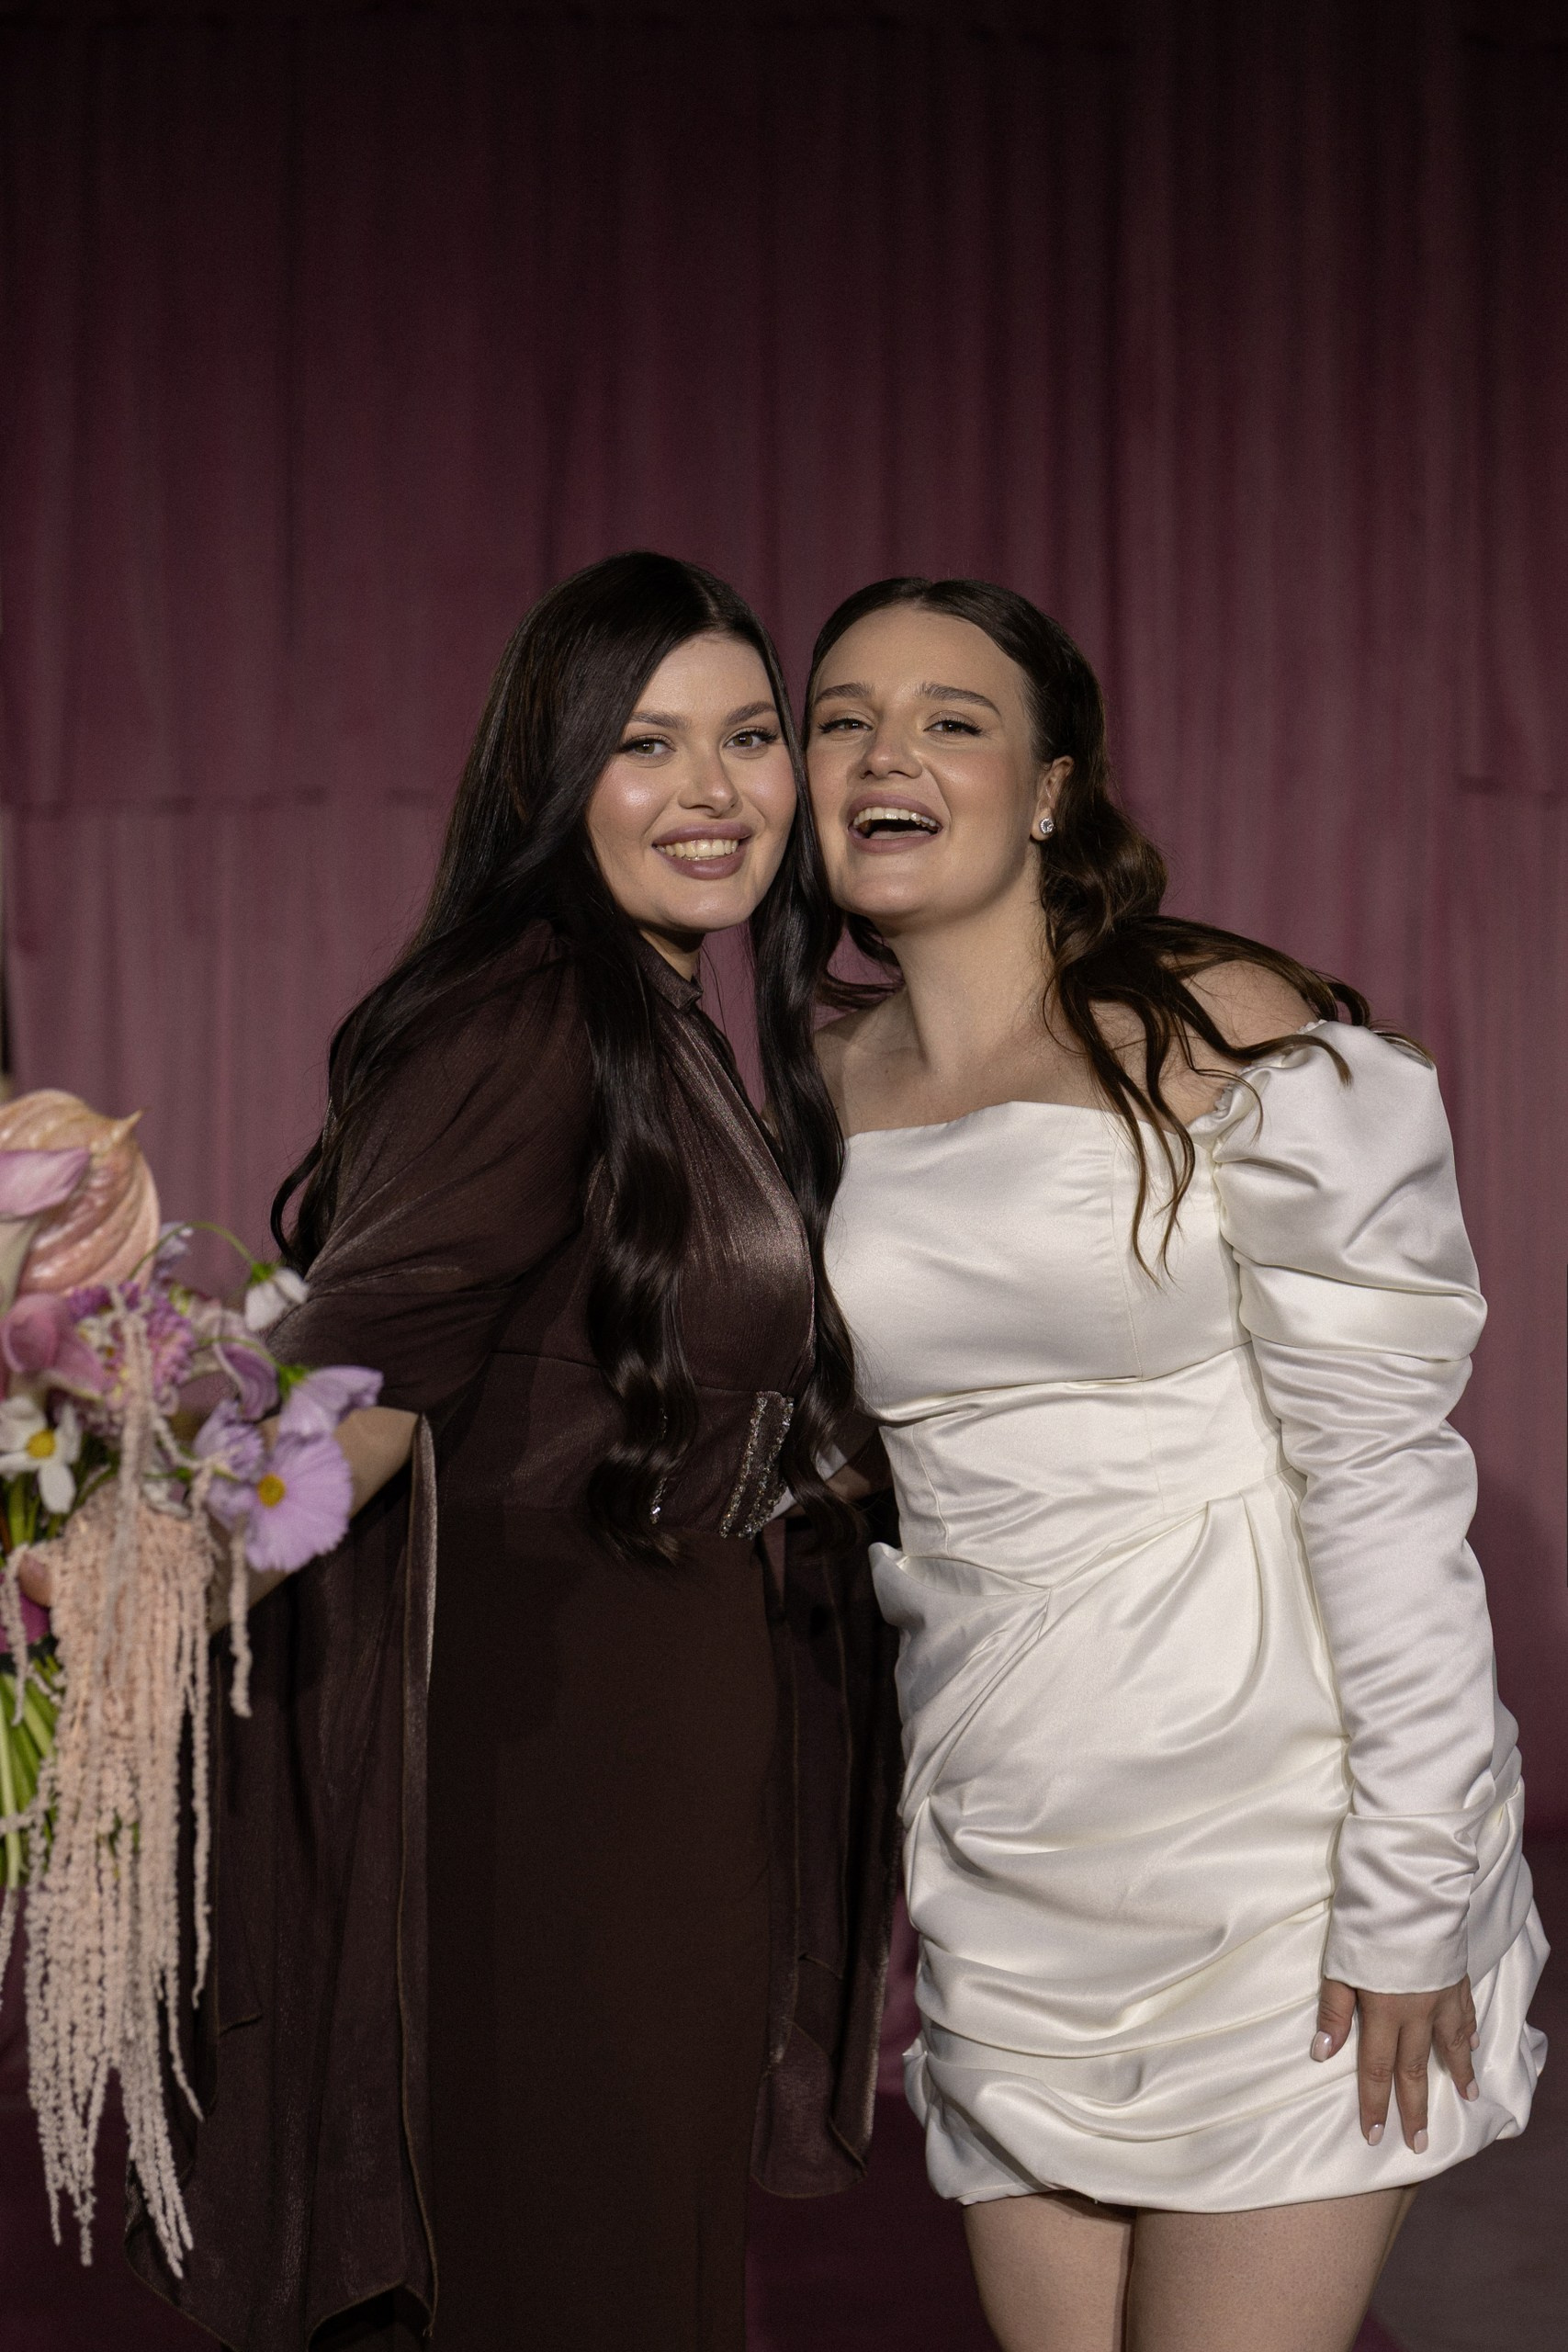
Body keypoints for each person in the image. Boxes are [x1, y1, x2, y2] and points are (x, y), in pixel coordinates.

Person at [118, 553, 901, 2352]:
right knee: (568, 2262)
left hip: (663, 1728)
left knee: (626, 2252)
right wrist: (130, 1593)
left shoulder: (660, 1017)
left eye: (749, 737)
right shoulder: (530, 1006)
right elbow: (368, 1379)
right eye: (646, 742)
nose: (714, 790)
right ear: (552, 775)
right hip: (550, 1767)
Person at [804, 575, 1545, 2352]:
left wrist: (1409, 1892)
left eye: (951, 720)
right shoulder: (795, 1088)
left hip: (1278, 1845)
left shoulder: (1222, 1027)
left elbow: (1384, 1479)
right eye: (841, 720)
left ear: (1051, 788)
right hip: (1004, 1839)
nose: (888, 753)